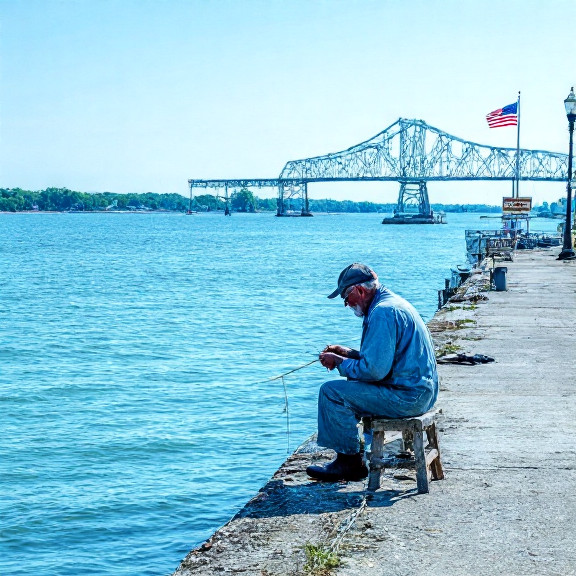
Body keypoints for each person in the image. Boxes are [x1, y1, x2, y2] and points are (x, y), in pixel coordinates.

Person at [306, 263, 439, 482]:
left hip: (409, 397)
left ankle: (348, 464)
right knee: (350, 381)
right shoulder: (391, 304)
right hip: (421, 391)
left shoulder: (382, 313)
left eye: (346, 298)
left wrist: (339, 362)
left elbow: (375, 371)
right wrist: (347, 353)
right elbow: (384, 360)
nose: (346, 304)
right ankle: (351, 455)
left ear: (359, 290)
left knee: (331, 393)